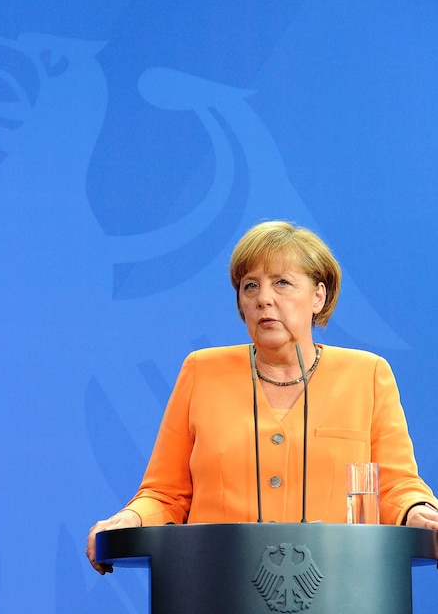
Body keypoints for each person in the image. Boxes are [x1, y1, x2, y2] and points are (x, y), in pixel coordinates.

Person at [87, 220, 437, 574]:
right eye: (250, 286)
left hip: (338, 584)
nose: (263, 299)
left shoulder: (367, 375)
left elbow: (395, 486)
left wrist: (419, 511)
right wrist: (129, 517)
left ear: (319, 296)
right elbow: (166, 494)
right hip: (218, 584)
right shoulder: (202, 372)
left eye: (282, 282)